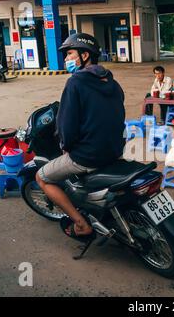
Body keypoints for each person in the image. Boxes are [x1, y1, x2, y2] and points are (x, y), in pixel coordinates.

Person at [35, 33, 126, 240]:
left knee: (42, 177)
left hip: (89, 156)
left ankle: (81, 224)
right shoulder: (112, 82)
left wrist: (65, 145)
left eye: (69, 54)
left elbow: (66, 125)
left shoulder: (75, 83)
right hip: (114, 149)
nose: (66, 59)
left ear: (85, 56)